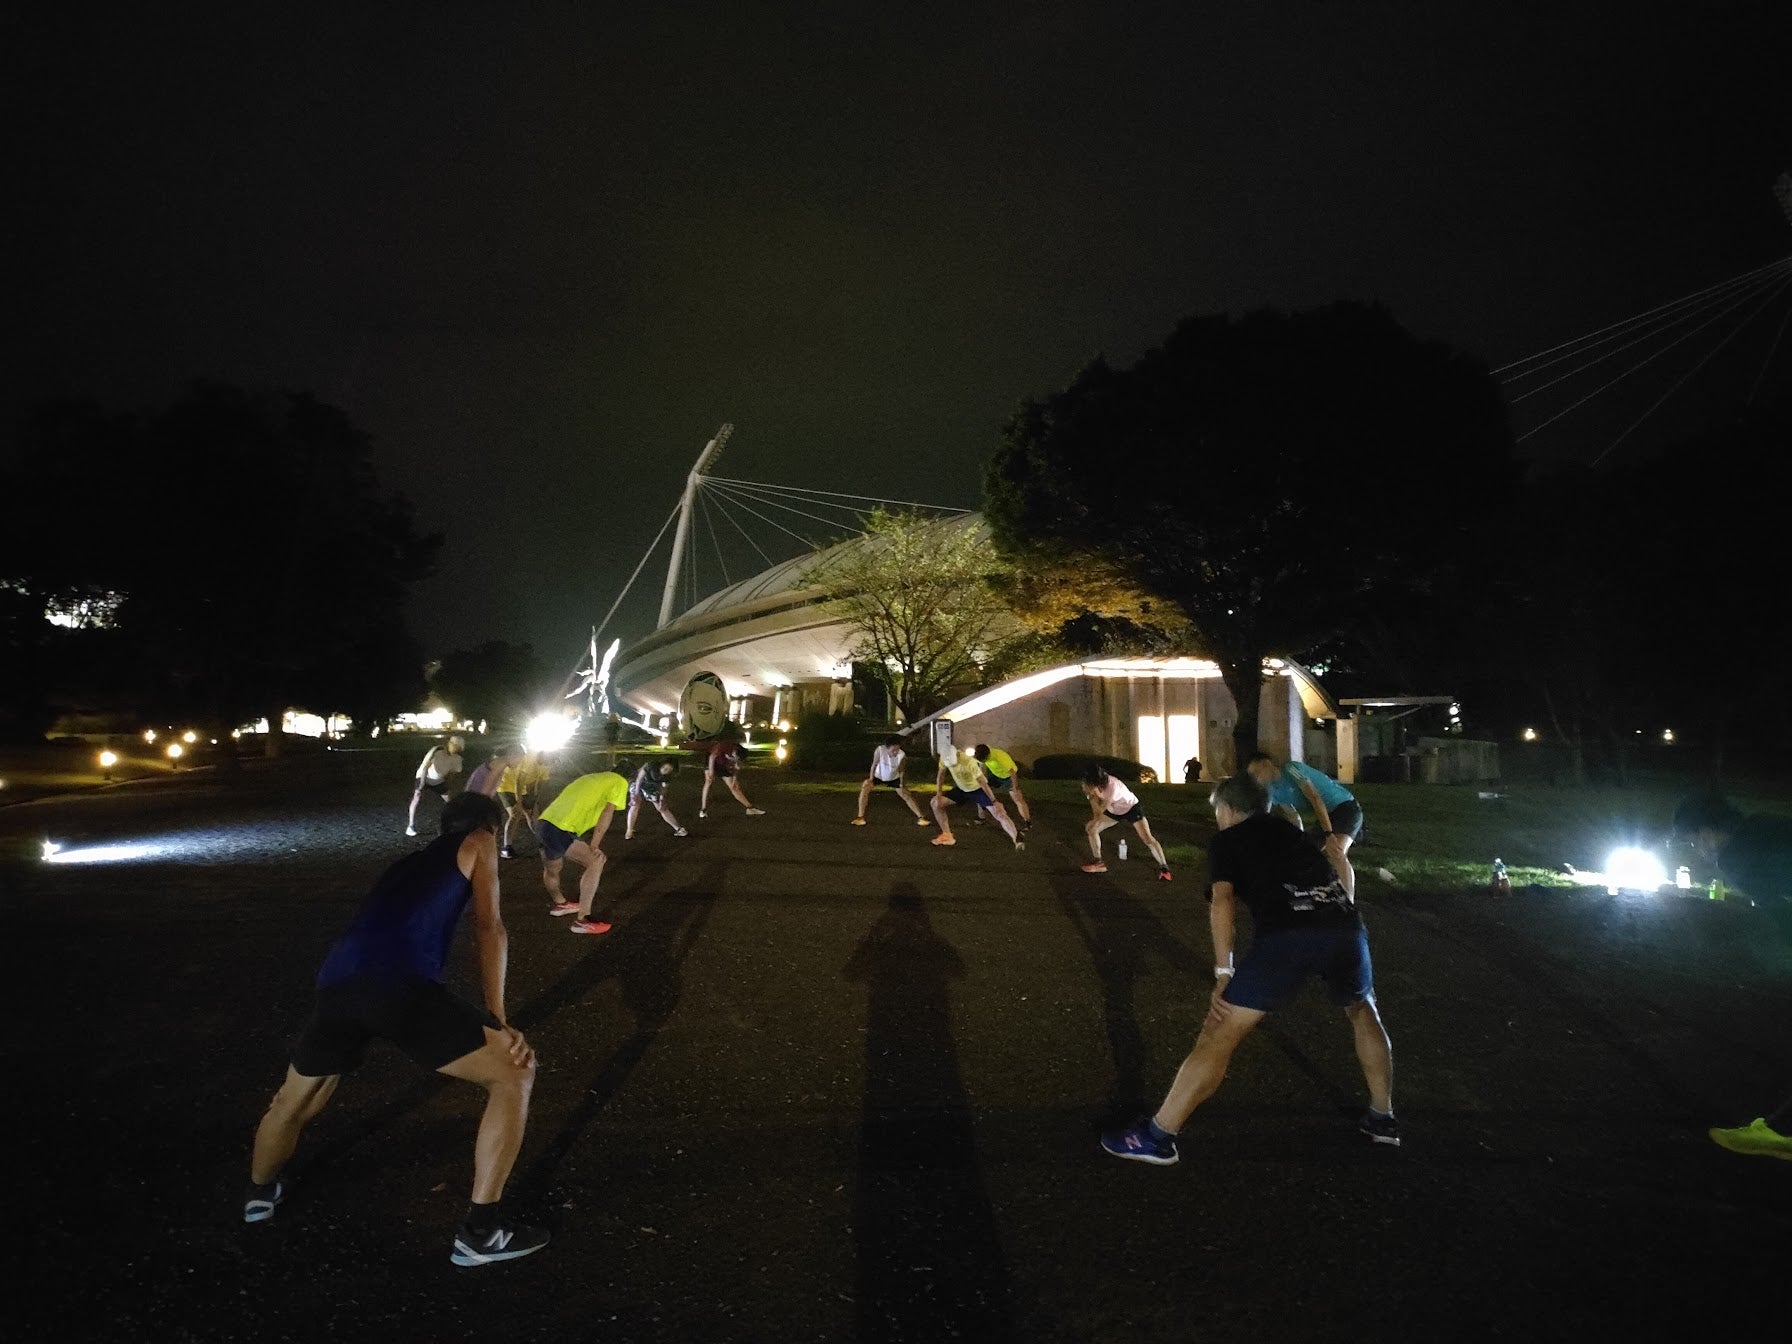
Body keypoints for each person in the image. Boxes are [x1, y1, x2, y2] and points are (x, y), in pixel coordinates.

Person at [244, 792, 547, 1266]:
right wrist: (498, 1018)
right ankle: (481, 1233)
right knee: (514, 1073)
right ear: (485, 825)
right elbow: (490, 927)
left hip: (337, 982)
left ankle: (260, 1193)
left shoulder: (406, 864)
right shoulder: (480, 839)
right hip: (398, 984)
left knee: (292, 1102)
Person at [1102, 772, 1396, 1165]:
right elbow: (1336, 862)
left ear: (1226, 809)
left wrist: (1224, 972)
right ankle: (1383, 1117)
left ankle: (1158, 1136)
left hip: (1288, 935)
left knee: (1220, 1030)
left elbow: (1222, 901)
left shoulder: (1227, 840)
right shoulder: (1291, 831)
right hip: (1345, 924)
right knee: (1362, 1009)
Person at [1671, 790, 1792, 1161]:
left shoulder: (1736, 855)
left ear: (1708, 831)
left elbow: (1783, 911)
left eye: (1693, 839)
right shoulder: (1765, 825)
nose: (1697, 849)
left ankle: (1782, 1133)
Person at [536, 771, 629, 934]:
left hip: (545, 824)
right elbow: (607, 812)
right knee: (596, 861)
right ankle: (583, 920)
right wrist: (595, 845)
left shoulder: (591, 777)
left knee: (552, 869)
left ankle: (560, 904)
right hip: (562, 828)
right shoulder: (620, 781)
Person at [1247, 752, 1364, 854]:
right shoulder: (1273, 791)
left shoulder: (1291, 769)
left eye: (1257, 772)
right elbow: (1292, 816)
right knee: (1307, 853)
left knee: (1336, 853)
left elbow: (1315, 799)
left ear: (1267, 764)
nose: (1256, 779)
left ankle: (1352, 831)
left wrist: (1328, 833)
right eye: (1253, 776)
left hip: (1344, 807)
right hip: (1327, 815)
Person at [1080, 764, 1171, 880]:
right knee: (1091, 829)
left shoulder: (1112, 786)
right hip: (1115, 810)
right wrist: (1091, 795)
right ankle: (1099, 863)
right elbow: (1097, 812)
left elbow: (1098, 813)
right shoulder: (1096, 785)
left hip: (1131, 808)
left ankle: (1165, 869)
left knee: (1147, 838)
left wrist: (1090, 795)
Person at [930, 745, 1024, 850]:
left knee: (999, 813)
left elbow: (982, 783)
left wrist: (994, 801)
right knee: (935, 803)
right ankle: (947, 836)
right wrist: (938, 794)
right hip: (962, 789)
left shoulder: (968, 762)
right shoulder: (944, 757)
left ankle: (1016, 838)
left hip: (977, 790)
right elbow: (941, 775)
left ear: (956, 755)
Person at [853, 734, 930, 826]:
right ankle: (860, 817)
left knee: (906, 795)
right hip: (879, 776)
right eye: (893, 750)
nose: (895, 752)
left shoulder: (902, 755)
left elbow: (901, 770)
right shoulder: (880, 750)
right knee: (865, 787)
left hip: (893, 777)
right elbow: (874, 764)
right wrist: (870, 778)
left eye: (897, 749)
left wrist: (901, 783)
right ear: (887, 748)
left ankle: (921, 818)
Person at [406, 734, 465, 837]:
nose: (456, 749)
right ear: (450, 744)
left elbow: (451, 775)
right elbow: (425, 767)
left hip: (438, 781)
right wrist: (421, 784)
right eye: (455, 746)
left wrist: (447, 787)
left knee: (450, 800)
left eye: (458, 748)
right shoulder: (438, 752)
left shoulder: (457, 759)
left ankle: (455, 822)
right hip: (424, 777)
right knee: (416, 797)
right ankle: (410, 825)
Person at [496, 750, 551, 859]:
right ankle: (506, 848)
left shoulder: (547, 765)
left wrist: (535, 801)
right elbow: (519, 781)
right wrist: (519, 802)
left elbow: (540, 783)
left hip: (522, 789)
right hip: (506, 785)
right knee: (515, 814)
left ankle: (542, 841)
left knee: (533, 814)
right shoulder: (530, 759)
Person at [700, 735, 765, 819]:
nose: (735, 759)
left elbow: (736, 768)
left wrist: (734, 779)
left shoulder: (738, 753)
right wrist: (711, 772)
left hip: (722, 763)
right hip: (711, 760)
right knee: (708, 781)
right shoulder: (724, 746)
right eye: (735, 757)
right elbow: (712, 757)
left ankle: (750, 808)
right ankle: (703, 810)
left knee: (734, 787)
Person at [972, 744, 1031, 830]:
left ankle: (1027, 822)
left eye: (984, 760)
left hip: (1009, 777)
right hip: (997, 776)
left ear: (987, 756)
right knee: (980, 790)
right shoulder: (981, 754)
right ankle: (981, 817)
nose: (983, 762)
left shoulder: (1000, 757)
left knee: (1018, 799)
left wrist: (1015, 786)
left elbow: (1012, 772)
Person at [626, 758, 689, 839]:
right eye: (665, 768)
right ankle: (629, 830)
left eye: (669, 770)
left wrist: (662, 799)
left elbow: (664, 788)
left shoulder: (668, 776)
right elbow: (639, 778)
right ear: (662, 765)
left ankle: (678, 829)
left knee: (662, 808)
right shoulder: (651, 765)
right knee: (635, 804)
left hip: (651, 787)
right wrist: (636, 794)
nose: (665, 771)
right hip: (637, 782)